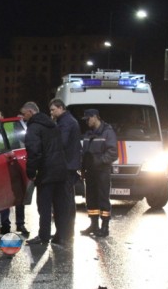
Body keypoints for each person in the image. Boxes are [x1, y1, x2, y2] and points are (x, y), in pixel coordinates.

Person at [21, 101, 68, 245]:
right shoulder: (52, 124)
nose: (23, 117)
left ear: (31, 112)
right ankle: (61, 235)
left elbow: (34, 152)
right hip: (60, 170)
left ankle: (43, 236)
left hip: (46, 172)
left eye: (24, 114)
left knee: (44, 206)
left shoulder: (34, 127)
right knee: (59, 205)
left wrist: (31, 172)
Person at [0, 108, 29, 236]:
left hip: (13, 165)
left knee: (19, 196)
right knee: (0, 197)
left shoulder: (10, 126)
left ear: (1, 117)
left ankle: (20, 224)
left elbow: (23, 141)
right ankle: (2, 225)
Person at [80, 109, 117, 238]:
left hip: (102, 171)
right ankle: (94, 225)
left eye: (88, 119)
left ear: (95, 117)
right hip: (90, 172)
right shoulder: (88, 134)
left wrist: (99, 161)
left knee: (103, 199)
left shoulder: (108, 132)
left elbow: (113, 152)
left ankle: (105, 227)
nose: (86, 122)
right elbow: (84, 153)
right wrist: (83, 168)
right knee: (90, 199)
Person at [49, 98, 82, 244]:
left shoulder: (65, 122)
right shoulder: (67, 120)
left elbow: (61, 142)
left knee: (64, 201)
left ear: (61, 108)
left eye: (53, 109)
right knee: (68, 200)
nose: (51, 112)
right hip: (69, 166)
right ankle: (67, 232)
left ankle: (64, 234)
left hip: (66, 166)